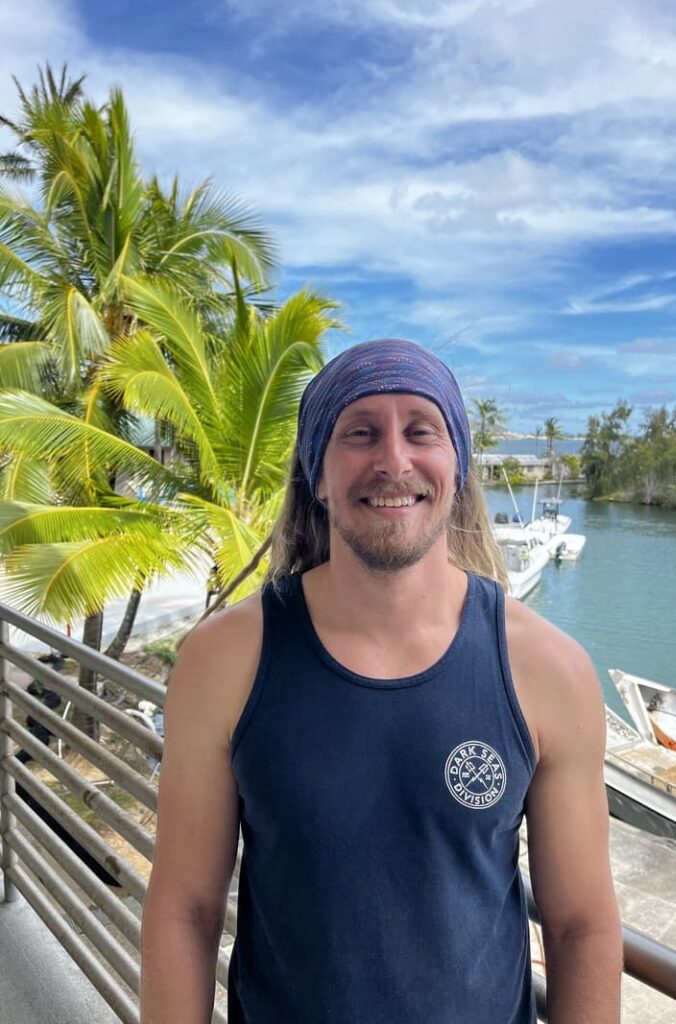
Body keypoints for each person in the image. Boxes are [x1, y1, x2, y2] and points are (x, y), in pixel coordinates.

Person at [140, 339, 623, 1024]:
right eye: (360, 433)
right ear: (318, 472)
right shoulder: (224, 660)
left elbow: (581, 926)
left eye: (420, 431)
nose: (393, 460)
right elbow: (185, 908)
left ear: (456, 466)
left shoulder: (549, 670)